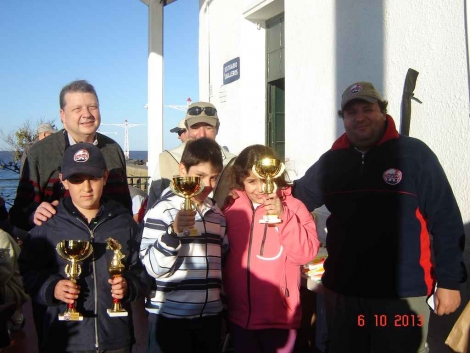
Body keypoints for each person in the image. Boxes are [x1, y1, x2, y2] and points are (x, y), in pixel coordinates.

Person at [293, 81, 466, 353]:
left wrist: (449, 282)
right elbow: (297, 197)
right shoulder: (331, 161)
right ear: (343, 118)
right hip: (343, 292)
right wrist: (254, 185)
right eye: (351, 112)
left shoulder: (415, 154)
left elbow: (446, 220)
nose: (360, 117)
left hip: (402, 294)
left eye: (367, 109)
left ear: (382, 112)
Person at [18, 143, 148, 353]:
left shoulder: (124, 223)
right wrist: (52, 287)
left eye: (93, 178)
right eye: (77, 180)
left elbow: (143, 269)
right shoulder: (48, 225)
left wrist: (129, 285)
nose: (86, 187)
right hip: (64, 340)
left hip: (115, 338)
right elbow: (25, 272)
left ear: (105, 177)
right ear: (64, 181)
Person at [222, 144, 320, 353]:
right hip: (240, 317)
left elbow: (306, 253)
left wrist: (284, 217)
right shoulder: (230, 207)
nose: (260, 188)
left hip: (281, 318)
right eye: (251, 181)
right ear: (241, 181)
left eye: (266, 179)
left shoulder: (295, 207)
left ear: (276, 175)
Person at [10, 80, 131, 231]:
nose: (86, 114)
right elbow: (18, 212)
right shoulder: (41, 153)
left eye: (92, 107)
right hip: (55, 246)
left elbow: (125, 208)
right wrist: (33, 215)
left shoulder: (113, 150)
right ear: (63, 115)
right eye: (77, 109)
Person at [140, 138, 226, 353]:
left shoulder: (217, 215)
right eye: (200, 176)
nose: (208, 185)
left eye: (214, 177)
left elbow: (222, 263)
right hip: (170, 319)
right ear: (182, 170)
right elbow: (152, 267)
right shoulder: (162, 210)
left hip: (210, 319)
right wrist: (172, 234)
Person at [147, 101, 237, 209]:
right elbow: (152, 207)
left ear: (217, 128)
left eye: (208, 127)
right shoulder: (166, 159)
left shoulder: (233, 163)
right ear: (187, 128)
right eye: (195, 127)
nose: (202, 134)